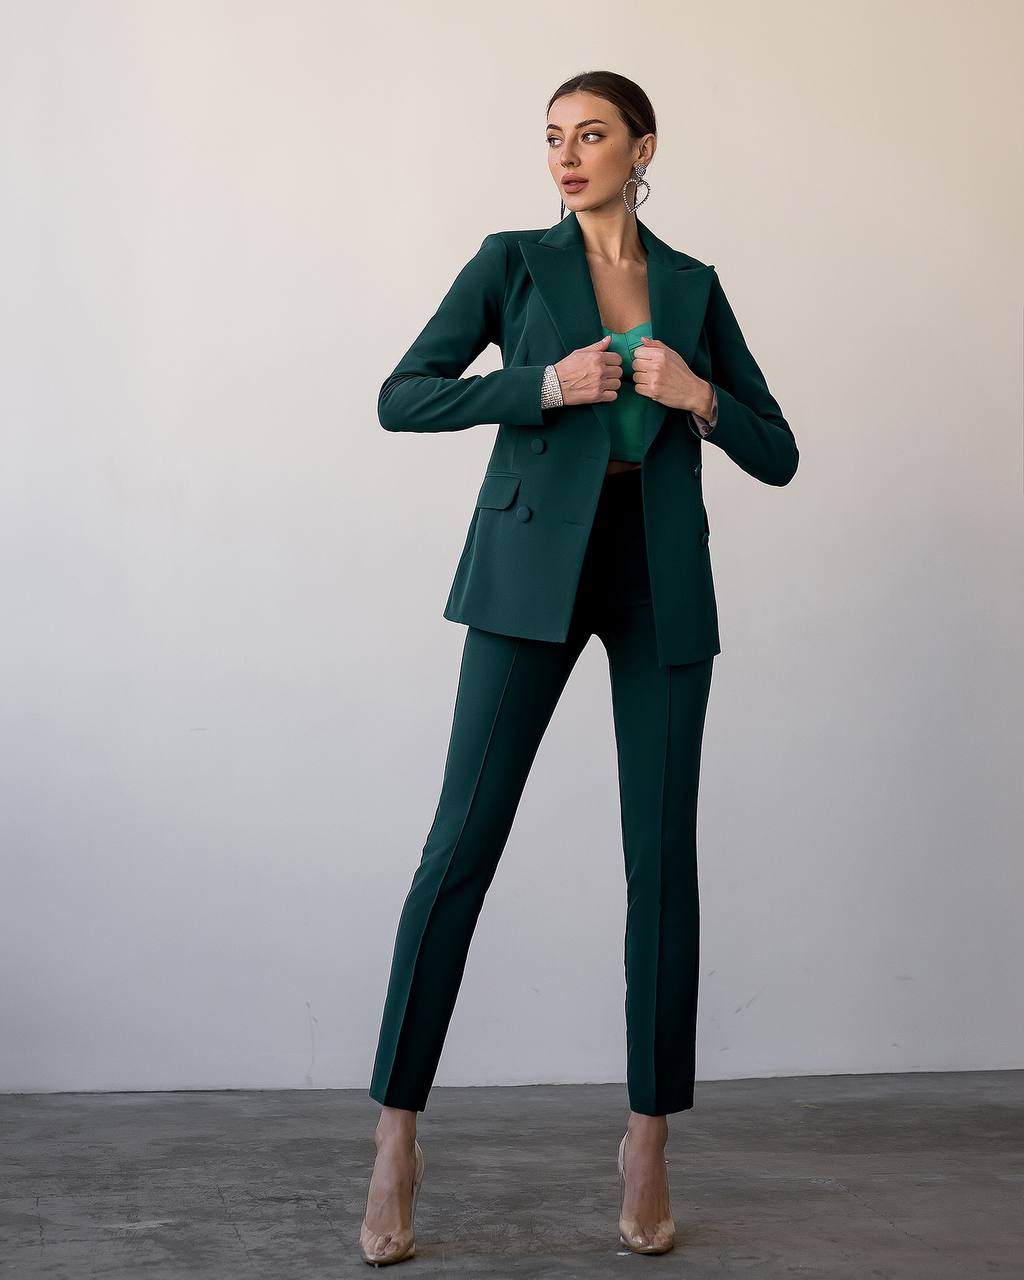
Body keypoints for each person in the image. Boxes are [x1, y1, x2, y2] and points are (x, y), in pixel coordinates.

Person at [359, 69, 799, 1266]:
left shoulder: (694, 287)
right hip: (523, 573)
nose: (566, 155)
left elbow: (779, 449)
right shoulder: (510, 260)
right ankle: (397, 1130)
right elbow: (402, 395)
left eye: (590, 135)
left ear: (641, 146)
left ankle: (647, 1132)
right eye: (553, 137)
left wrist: (698, 393)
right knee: (459, 848)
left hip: (659, 578)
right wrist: (541, 384)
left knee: (661, 864)